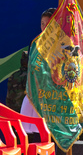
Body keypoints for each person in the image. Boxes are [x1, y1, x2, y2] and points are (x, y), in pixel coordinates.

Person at [20, 8, 56, 143]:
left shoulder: (63, 43)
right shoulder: (35, 42)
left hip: (55, 97)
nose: (44, 27)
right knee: (37, 135)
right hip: (37, 93)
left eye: (48, 23)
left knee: (52, 136)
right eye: (42, 23)